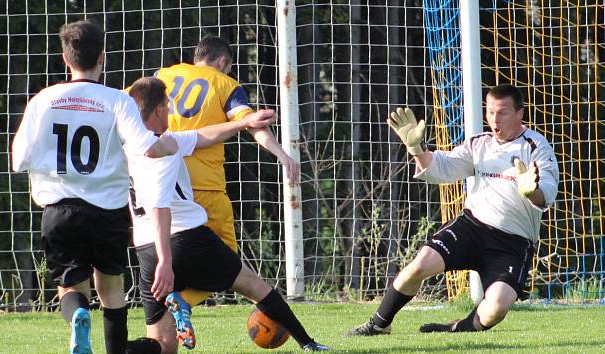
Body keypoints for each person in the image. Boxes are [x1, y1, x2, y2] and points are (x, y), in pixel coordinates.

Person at [124, 77, 330, 353]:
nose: (171, 112)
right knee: (255, 287)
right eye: (168, 106)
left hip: (146, 248)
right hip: (186, 240)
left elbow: (204, 135)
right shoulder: (164, 146)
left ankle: (120, 349)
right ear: (160, 109)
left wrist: (245, 122)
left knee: (163, 344)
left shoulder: (126, 148)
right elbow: (159, 205)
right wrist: (167, 260)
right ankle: (309, 344)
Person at [11, 21, 177, 354]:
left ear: (65, 58)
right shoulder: (118, 100)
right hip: (107, 210)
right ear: (102, 57)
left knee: (70, 289)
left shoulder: (43, 100)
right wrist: (169, 144)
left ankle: (78, 317)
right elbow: (148, 147)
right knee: (112, 290)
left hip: (58, 209)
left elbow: (18, 160)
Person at [345, 84, 559, 336]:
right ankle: (379, 324)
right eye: (490, 112)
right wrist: (416, 149)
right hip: (472, 228)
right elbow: (442, 168)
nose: (494, 119)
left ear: (520, 113)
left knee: (496, 310)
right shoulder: (480, 144)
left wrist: (530, 190)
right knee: (419, 265)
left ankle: (458, 327)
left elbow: (546, 193)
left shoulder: (536, 147)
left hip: (512, 243)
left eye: (502, 113)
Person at [153, 36, 301, 308]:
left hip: (161, 187)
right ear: (222, 62)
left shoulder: (164, 75)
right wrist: (282, 154)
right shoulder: (226, 84)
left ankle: (164, 317)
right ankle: (183, 302)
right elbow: (252, 124)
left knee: (169, 255)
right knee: (229, 262)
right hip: (204, 187)